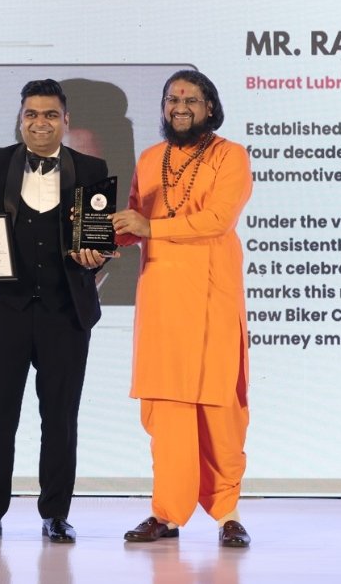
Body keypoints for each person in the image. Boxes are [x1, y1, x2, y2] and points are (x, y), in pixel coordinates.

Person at [0, 78, 109, 544]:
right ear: (20, 118)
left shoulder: (91, 167)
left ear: (65, 120)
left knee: (61, 418)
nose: (40, 123)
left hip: (66, 313)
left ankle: (56, 514)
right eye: (31, 114)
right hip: (3, 309)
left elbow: (97, 240)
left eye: (49, 115)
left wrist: (96, 257)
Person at [111, 69, 254, 548]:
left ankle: (228, 514)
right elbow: (137, 219)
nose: (180, 107)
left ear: (210, 107)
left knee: (219, 411)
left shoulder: (231, 155)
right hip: (162, 300)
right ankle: (166, 514)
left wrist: (149, 228)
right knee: (167, 413)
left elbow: (217, 220)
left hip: (212, 299)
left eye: (191, 99)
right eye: (173, 99)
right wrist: (103, 234)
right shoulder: (152, 158)